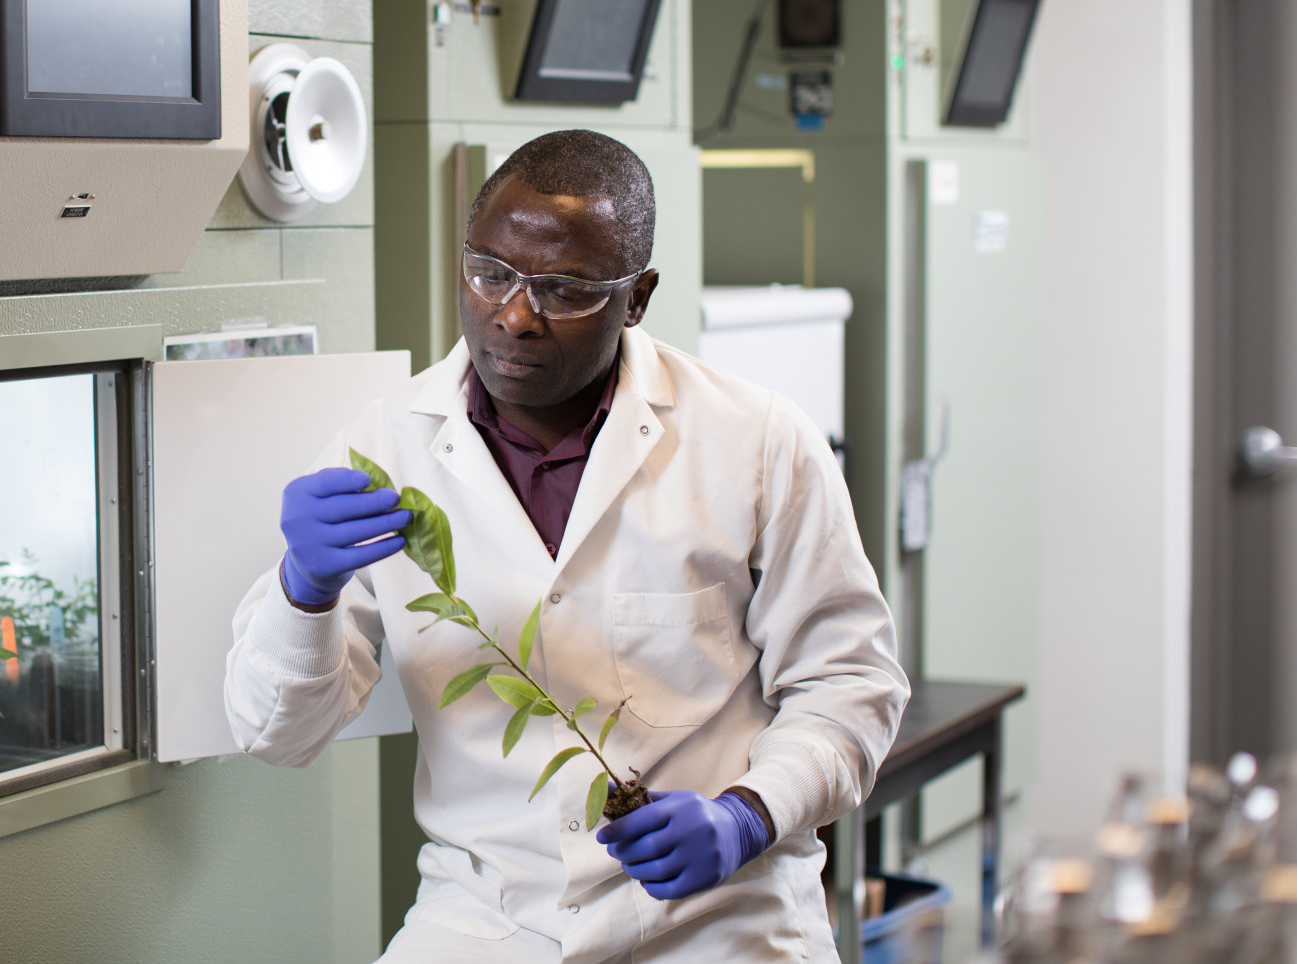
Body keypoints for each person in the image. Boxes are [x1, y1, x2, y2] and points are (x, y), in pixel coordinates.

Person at [225, 129, 908, 962]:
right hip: (490, 918)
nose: (515, 316)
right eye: (490, 274)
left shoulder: (755, 441)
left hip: (721, 919)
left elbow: (851, 685)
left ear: (638, 297)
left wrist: (747, 814)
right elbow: (278, 734)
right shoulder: (384, 450)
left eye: (564, 290)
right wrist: (304, 590)